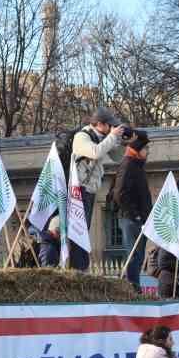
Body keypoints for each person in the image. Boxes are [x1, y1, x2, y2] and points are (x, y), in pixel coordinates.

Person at [61, 108, 127, 270]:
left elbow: (118, 157)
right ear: (99, 124)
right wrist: (112, 136)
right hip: (78, 191)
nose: (112, 128)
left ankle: (80, 267)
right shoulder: (82, 137)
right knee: (79, 230)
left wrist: (124, 141)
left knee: (84, 230)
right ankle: (77, 267)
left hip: (89, 191)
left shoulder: (103, 138)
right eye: (109, 125)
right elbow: (95, 152)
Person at [112, 130, 153, 290]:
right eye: (146, 149)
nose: (148, 152)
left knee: (138, 254)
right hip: (131, 218)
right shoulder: (129, 165)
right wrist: (135, 215)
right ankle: (132, 287)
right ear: (138, 149)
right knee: (134, 254)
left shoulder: (135, 165)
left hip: (137, 218)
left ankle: (134, 286)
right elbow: (120, 194)